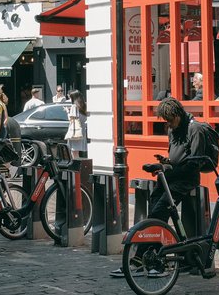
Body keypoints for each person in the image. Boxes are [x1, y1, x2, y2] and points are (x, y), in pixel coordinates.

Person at [110, 97, 207, 278]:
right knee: (154, 212)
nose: (169, 125)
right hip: (170, 178)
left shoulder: (195, 130)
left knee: (157, 215)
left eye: (171, 120)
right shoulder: (172, 130)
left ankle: (144, 261)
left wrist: (166, 169)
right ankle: (145, 259)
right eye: (166, 121)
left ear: (178, 114)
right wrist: (164, 163)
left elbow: (194, 164)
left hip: (185, 181)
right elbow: (176, 159)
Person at [66, 90, 88, 158]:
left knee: (74, 151)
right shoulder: (84, 105)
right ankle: (78, 166)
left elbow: (71, 119)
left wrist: (67, 111)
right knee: (77, 151)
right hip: (81, 129)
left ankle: (76, 166)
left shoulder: (74, 107)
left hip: (74, 130)